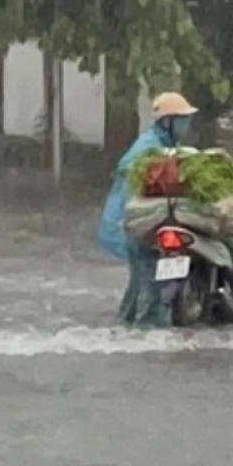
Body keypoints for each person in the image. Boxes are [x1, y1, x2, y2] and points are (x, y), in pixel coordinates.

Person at [95, 91, 198, 327]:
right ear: (168, 121)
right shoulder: (149, 145)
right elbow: (130, 171)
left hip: (151, 220)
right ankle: (148, 329)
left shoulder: (167, 145)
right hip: (134, 220)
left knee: (141, 278)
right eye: (182, 120)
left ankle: (126, 321)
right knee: (149, 275)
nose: (186, 125)